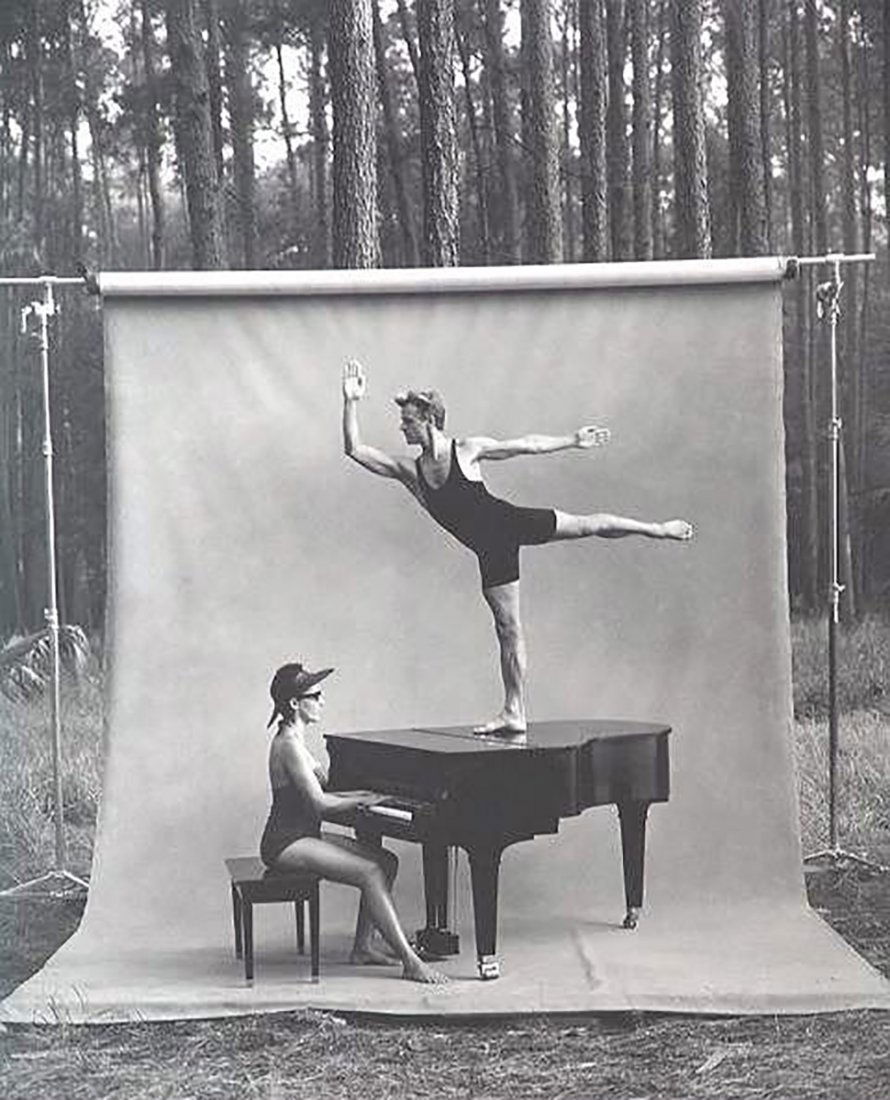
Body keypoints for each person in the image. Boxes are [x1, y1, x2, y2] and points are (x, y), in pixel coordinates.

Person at [341, 359, 694, 736]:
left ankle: (658, 529)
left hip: (509, 522)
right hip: (492, 552)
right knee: (508, 629)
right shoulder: (410, 472)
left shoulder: (468, 450)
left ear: (428, 419)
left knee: (588, 524)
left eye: (407, 421)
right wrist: (351, 401)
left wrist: (572, 440)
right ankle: (514, 712)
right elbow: (355, 449)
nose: (401, 427)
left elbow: (525, 445)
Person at [260, 661, 447, 984]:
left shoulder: (296, 740)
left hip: (304, 834)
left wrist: (373, 791)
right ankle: (410, 961)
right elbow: (320, 804)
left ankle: (363, 947)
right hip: (285, 842)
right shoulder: (288, 746)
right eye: (315, 696)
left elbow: (327, 788)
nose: (322, 701)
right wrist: (365, 800)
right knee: (370, 872)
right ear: (294, 703)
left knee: (387, 862)